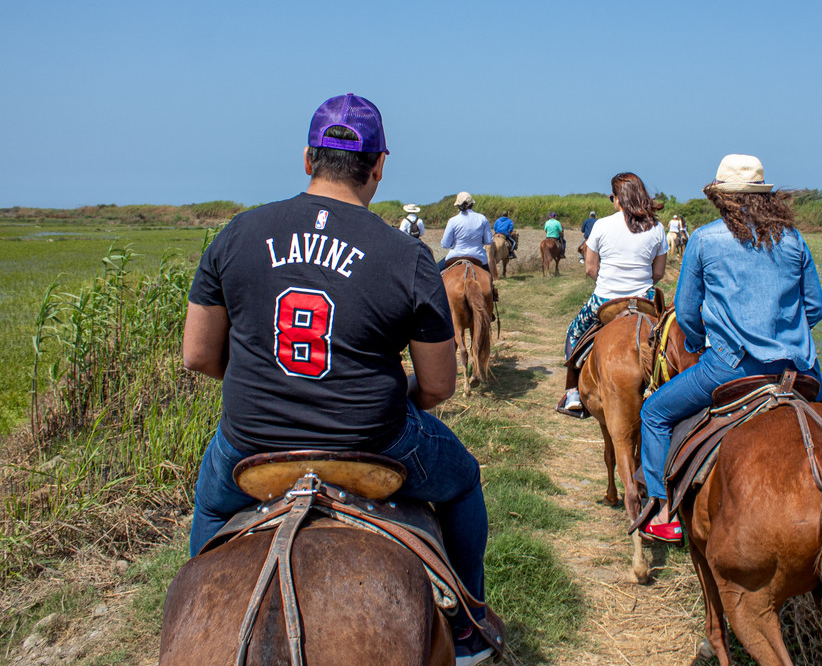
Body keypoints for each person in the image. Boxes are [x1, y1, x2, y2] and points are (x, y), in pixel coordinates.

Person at [183, 94, 495, 665]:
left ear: (307, 158)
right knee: (463, 481)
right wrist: (398, 392)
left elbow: (198, 356)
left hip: (251, 442)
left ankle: (195, 597)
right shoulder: (405, 254)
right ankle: (471, 626)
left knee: (207, 506)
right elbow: (438, 385)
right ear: (379, 166)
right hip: (372, 442)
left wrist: (265, 377)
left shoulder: (235, 235)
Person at [636, 154, 822, 544]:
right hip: (798, 370)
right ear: (764, 197)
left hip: (730, 367)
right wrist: (785, 335)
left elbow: (688, 311)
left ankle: (662, 513)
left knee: (654, 413)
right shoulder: (793, 239)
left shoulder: (706, 240)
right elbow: (815, 308)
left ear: (721, 198)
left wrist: (695, 343)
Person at [561, 174, 668, 413]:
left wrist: (609, 283)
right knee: (667, 335)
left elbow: (590, 268)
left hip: (605, 298)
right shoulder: (657, 227)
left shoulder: (601, 225)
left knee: (574, 333)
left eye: (612, 197)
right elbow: (658, 272)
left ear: (618, 198)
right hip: (644, 300)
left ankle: (572, 392)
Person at [440, 192, 494, 273]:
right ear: (472, 204)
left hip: (455, 256)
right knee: (489, 280)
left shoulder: (453, 221)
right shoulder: (482, 219)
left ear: (458, 206)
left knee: (434, 273)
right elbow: (489, 241)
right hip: (478, 257)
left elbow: (445, 244)